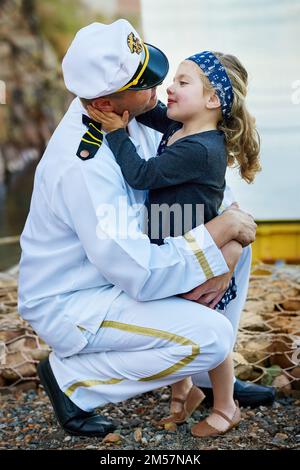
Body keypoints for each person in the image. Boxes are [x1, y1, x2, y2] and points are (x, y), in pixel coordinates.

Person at [17, 20, 262, 439]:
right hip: (79, 299)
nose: (160, 85)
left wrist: (227, 242)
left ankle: (206, 379)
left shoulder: (136, 115)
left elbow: (192, 187)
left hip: (122, 264)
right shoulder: (84, 166)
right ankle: (74, 381)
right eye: (145, 82)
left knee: (238, 243)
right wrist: (213, 240)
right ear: (110, 105)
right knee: (211, 337)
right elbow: (139, 271)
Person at [86, 49, 261, 435]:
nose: (169, 88)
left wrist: (116, 133)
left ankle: (227, 405)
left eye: (183, 83)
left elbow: (142, 174)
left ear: (213, 101)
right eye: (172, 81)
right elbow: (143, 108)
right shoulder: (180, 128)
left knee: (208, 325)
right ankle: (184, 391)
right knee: (179, 320)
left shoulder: (200, 148)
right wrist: (112, 94)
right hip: (176, 242)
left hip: (200, 252)